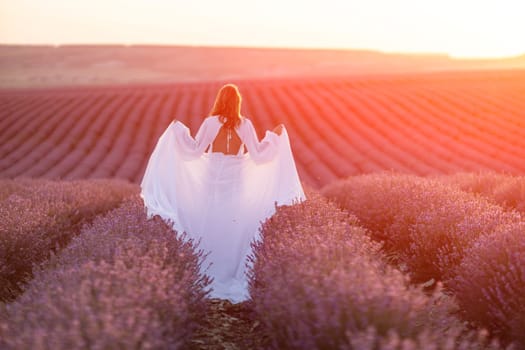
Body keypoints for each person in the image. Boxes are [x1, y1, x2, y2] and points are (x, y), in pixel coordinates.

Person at [140, 84, 305, 303]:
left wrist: (178, 132)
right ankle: (231, 271)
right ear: (237, 102)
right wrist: (274, 139)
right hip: (237, 178)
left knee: (212, 220)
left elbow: (195, 151)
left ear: (219, 100)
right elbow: (257, 156)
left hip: (213, 177)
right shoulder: (245, 124)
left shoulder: (210, 123)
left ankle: (207, 269)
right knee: (232, 223)